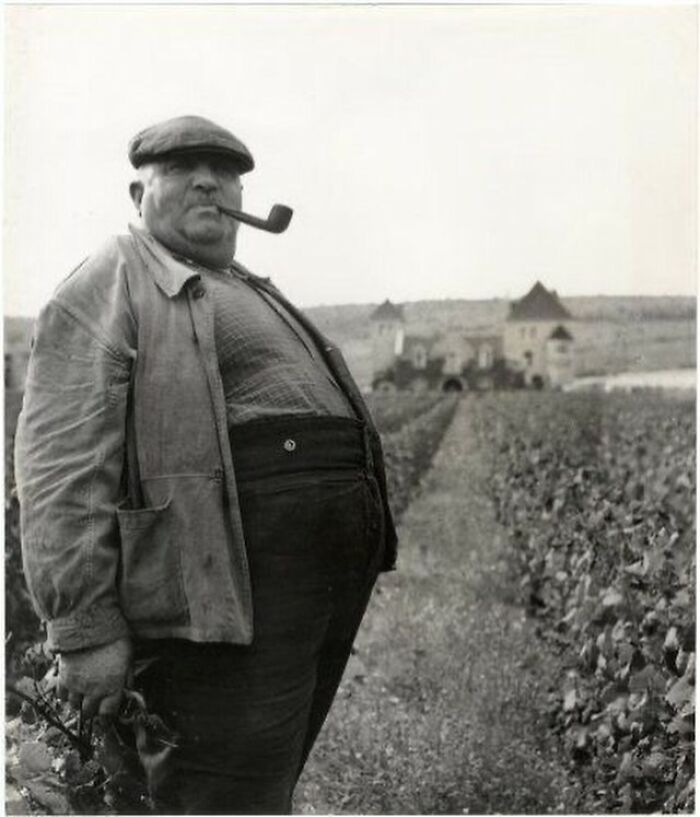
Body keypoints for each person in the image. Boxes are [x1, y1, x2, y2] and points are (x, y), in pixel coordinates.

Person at [15, 114, 397, 814]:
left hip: (311, 583)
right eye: (182, 169)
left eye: (224, 172)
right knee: (221, 791)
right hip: (222, 591)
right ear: (139, 195)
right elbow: (59, 466)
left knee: (261, 781)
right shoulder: (112, 277)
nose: (207, 182)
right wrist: (85, 630)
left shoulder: (242, 283)